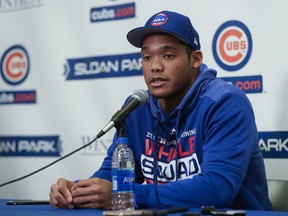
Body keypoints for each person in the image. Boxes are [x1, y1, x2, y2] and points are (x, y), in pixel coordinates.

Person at [49, 10, 272, 211]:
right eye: (147, 57)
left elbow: (217, 189)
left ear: (195, 59)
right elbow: (112, 176)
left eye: (168, 55)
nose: (155, 66)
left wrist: (127, 195)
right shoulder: (136, 108)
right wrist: (77, 191)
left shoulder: (224, 102)